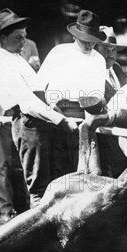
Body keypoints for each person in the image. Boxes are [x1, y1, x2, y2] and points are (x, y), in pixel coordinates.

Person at [0, 9, 75, 208]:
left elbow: (39, 92)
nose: (23, 42)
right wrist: (60, 120)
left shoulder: (17, 59)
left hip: (40, 120)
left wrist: (55, 110)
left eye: (25, 37)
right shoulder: (3, 64)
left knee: (54, 178)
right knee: (38, 184)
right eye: (18, 38)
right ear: (3, 38)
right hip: (28, 123)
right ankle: (37, 232)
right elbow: (27, 101)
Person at [34, 10, 107, 188]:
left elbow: (98, 94)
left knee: (85, 168)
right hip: (57, 112)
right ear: (75, 36)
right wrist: (52, 109)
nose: (90, 45)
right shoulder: (59, 52)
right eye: (85, 40)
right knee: (58, 167)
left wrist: (91, 116)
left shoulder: (98, 60)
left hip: (85, 115)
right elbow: (38, 85)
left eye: (93, 41)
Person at [0, 33, 39, 217]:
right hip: (0, 114)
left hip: (24, 112)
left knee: (29, 161)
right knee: (2, 164)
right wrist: (4, 81)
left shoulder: (30, 45)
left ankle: (33, 208)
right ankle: (5, 209)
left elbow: (37, 76)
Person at [95, 26, 127, 177]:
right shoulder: (91, 71)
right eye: (105, 49)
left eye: (113, 50)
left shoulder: (117, 69)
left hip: (124, 129)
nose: (110, 55)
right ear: (95, 50)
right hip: (103, 132)